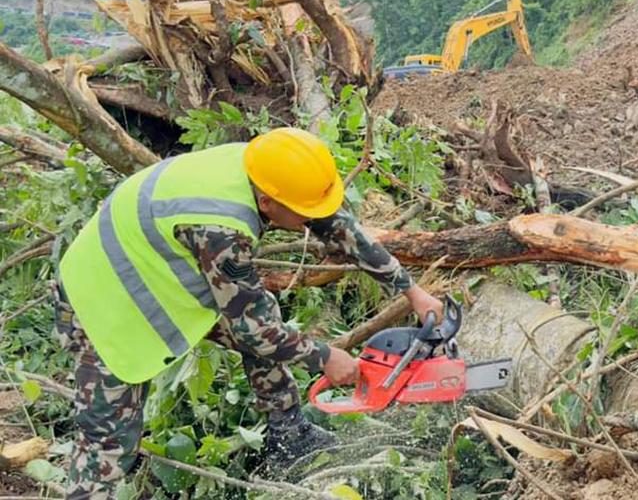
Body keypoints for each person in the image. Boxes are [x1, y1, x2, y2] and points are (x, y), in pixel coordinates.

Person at [54, 127, 444, 500]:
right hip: (107, 297)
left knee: (262, 314)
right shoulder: (223, 231)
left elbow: (334, 223)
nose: (311, 221)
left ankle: (289, 437)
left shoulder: (267, 167)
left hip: (155, 265)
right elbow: (256, 332)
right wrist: (326, 358)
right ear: (267, 204)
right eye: (303, 214)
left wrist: (409, 289)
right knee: (109, 442)